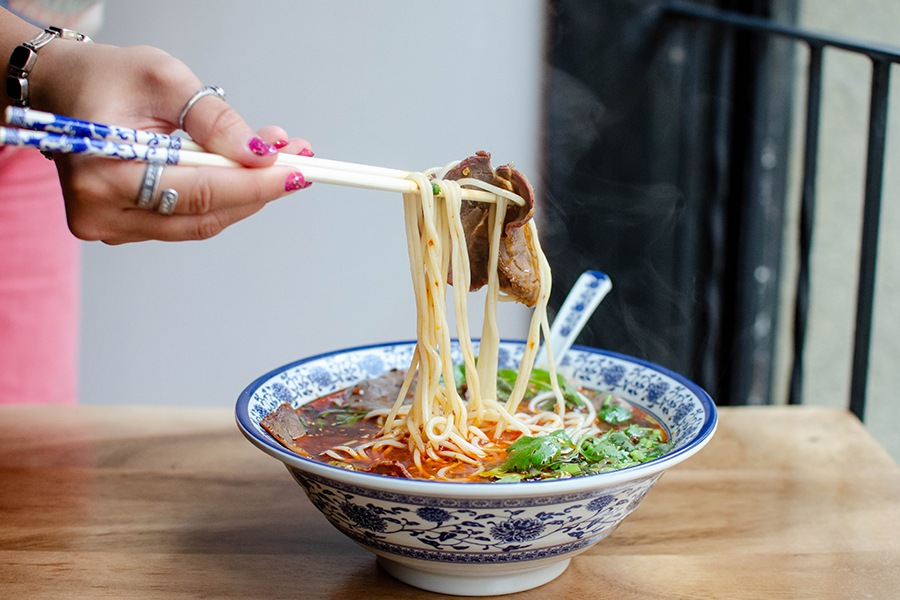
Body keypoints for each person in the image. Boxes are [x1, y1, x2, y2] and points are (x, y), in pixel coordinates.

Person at [0, 3, 312, 404]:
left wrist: (48, 75)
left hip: (40, 115)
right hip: (41, 81)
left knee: (29, 441)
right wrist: (45, 67)